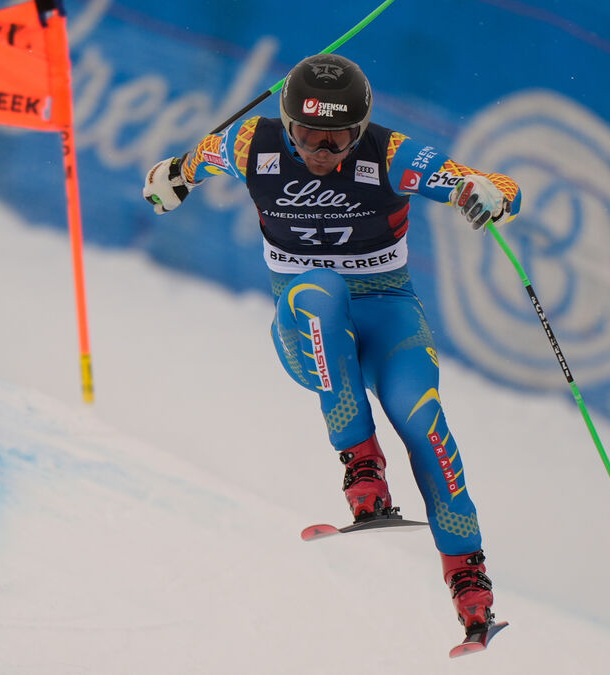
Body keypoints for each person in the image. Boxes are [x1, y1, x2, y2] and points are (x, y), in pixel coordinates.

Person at [142, 53, 521, 639]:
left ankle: (469, 583)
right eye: (307, 135)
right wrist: (172, 177)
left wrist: (489, 192)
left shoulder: (390, 155)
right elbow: (195, 161)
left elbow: (491, 186)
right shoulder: (250, 144)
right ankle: (362, 467)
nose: (322, 150)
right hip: (308, 332)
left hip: (388, 319)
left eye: (339, 138)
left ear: (360, 130)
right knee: (318, 290)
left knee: (422, 421)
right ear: (287, 123)